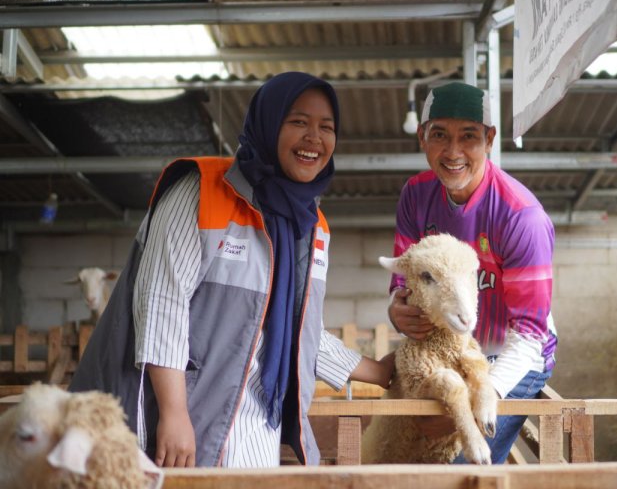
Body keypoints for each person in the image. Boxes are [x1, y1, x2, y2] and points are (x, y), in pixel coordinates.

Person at [70, 72, 393, 468]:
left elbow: (298, 330)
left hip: (255, 425)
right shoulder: (201, 192)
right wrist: (174, 414)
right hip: (171, 415)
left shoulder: (311, 228)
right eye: (298, 122)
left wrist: (377, 371)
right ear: (268, 123)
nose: (315, 138)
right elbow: (160, 304)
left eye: (327, 127)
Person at [388, 81, 557, 464]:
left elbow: (529, 336)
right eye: (439, 135)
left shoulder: (520, 217)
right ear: (422, 137)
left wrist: (480, 394)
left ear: (489, 139)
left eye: (469, 136)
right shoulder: (415, 196)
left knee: (458, 465)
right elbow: (403, 283)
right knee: (412, 450)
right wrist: (396, 310)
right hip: (447, 350)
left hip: (510, 356)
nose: (453, 152)